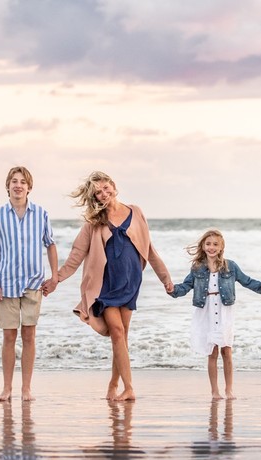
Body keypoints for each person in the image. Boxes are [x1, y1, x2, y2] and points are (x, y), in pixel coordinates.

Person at [42, 171, 172, 402]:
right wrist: (56, 279)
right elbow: (76, 255)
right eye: (98, 193)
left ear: (113, 185)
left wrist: (165, 278)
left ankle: (114, 383)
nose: (103, 194)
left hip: (131, 282)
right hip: (105, 286)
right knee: (118, 333)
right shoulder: (93, 223)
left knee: (121, 337)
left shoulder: (136, 212)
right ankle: (129, 388)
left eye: (105, 188)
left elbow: (149, 249)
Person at [0, 166, 58, 402]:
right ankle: (7, 388)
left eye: (23, 182)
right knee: (9, 337)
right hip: (7, 284)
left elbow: (50, 245)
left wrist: (54, 276)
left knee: (29, 335)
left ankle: (26, 389)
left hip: (34, 283)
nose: (18, 185)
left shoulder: (41, 214)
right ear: (8, 186)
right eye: (14, 181)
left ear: (29, 187)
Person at [168, 229, 261, 399]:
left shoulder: (230, 266)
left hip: (224, 310)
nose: (211, 247)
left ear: (221, 247)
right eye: (208, 244)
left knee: (226, 351)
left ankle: (229, 390)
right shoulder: (197, 268)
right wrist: (172, 290)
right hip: (205, 310)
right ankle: (215, 391)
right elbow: (185, 286)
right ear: (203, 246)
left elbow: (247, 281)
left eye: (215, 244)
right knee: (211, 352)